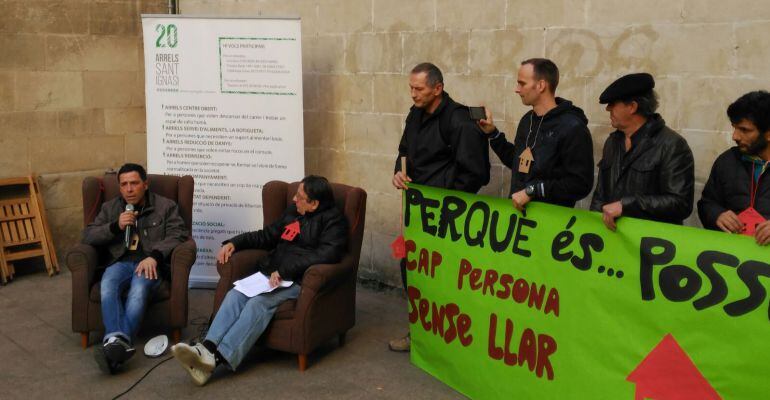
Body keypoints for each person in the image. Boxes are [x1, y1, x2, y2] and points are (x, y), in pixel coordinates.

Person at [171, 175, 347, 386]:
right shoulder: (293, 214)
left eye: (300, 197)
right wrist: (234, 243)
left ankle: (216, 360)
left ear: (315, 203)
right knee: (236, 294)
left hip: (298, 281)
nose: (293, 199)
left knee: (258, 304)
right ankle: (207, 349)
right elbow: (266, 236)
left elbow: (327, 255)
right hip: (271, 275)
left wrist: (285, 270)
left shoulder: (333, 222)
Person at [390, 62, 490, 352]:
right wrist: (399, 171)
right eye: (410, 87)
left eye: (419, 88)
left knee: (446, 278)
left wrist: (443, 201)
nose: (413, 94)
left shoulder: (459, 121)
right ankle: (420, 331)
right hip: (417, 213)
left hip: (448, 216)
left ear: (437, 88)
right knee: (411, 267)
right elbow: (404, 151)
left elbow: (476, 173)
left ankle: (451, 340)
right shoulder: (414, 116)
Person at [81, 163, 188, 373]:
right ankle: (121, 343)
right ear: (120, 187)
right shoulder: (110, 208)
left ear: (145, 185)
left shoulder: (166, 206)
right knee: (108, 284)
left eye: (134, 183)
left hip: (148, 263)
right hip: (119, 262)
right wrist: (115, 226)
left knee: (139, 289)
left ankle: (113, 344)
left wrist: (155, 257)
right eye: (124, 185)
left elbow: (178, 234)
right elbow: (88, 235)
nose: (129, 189)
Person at [478, 58, 594, 210]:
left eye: (522, 83)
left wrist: (533, 191)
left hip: (549, 223)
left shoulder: (573, 127)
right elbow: (519, 163)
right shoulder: (527, 120)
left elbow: (580, 183)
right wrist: (493, 134)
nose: (517, 89)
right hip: (519, 220)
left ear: (540, 85)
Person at [590, 73, 695, 229]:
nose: (608, 109)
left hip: (651, 243)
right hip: (612, 239)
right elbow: (600, 194)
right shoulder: (612, 141)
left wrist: (626, 205)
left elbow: (680, 203)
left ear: (632, 107)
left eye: (613, 104)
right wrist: (595, 223)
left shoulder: (672, 144)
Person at [698, 91, 770, 244]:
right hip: (731, 261)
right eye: (734, 127)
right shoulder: (726, 161)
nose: (735, 136)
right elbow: (707, 203)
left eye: (744, 130)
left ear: (768, 134)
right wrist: (717, 215)